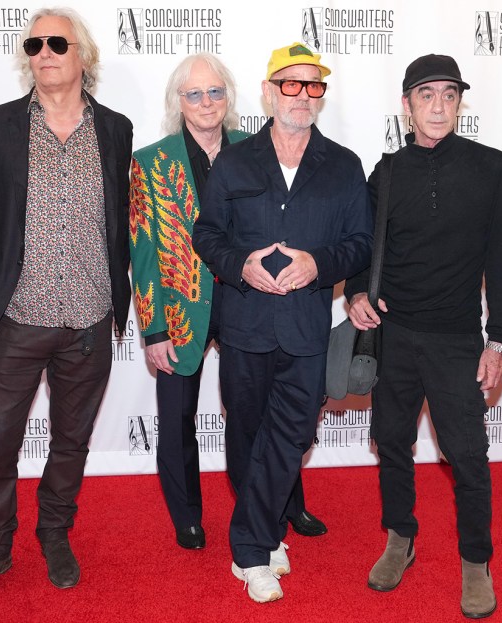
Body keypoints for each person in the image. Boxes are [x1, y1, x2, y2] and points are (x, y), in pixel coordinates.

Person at [0, 7, 133, 607]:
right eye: (34, 44)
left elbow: (125, 225)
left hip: (92, 317)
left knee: (71, 441)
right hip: (16, 316)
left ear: (82, 56)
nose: (43, 52)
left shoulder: (117, 129)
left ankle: (55, 533)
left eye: (56, 43)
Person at [193, 43, 372, 603]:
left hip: (305, 331)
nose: (302, 96)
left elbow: (360, 245)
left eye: (313, 86)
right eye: (290, 85)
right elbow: (207, 236)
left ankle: (249, 550)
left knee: (292, 435)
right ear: (270, 92)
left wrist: (319, 265)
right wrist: (241, 267)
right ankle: (266, 537)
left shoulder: (343, 166)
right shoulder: (235, 161)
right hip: (245, 327)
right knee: (247, 438)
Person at [128, 53, 327, 552]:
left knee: (265, 411)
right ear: (179, 101)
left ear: (231, 97)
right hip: (179, 310)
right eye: (194, 93)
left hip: (252, 303)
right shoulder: (151, 162)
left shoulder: (258, 149)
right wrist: (153, 329)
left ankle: (286, 503)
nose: (206, 102)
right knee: (177, 418)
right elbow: (143, 248)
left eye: (215, 92)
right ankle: (188, 516)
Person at [346, 54, 502, 619]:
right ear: (407, 104)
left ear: (460, 101)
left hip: (457, 340)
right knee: (392, 441)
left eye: (449, 94)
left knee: (467, 454)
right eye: (426, 94)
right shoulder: (387, 172)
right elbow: (364, 246)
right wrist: (354, 292)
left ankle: (476, 561)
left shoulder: (493, 167)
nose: (438, 104)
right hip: (394, 334)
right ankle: (400, 537)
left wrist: (499, 341)